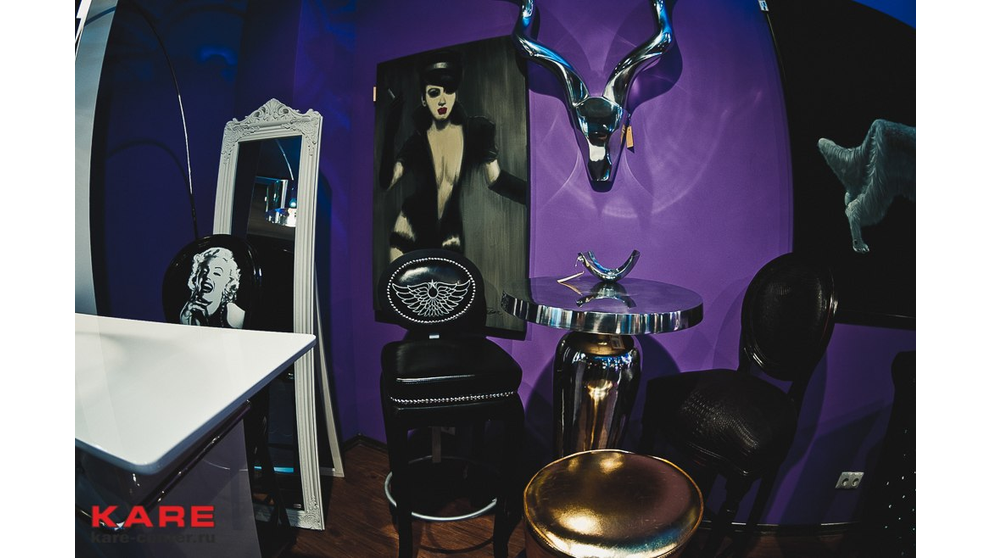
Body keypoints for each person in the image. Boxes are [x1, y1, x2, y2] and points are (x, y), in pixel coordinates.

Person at [380, 49, 526, 262]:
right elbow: (386, 182)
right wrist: (390, 132)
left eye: (448, 91)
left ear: (455, 95)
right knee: (405, 284)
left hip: (448, 234)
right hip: (408, 230)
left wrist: (536, 198)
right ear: (423, 99)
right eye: (434, 93)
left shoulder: (476, 132)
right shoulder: (416, 143)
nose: (442, 100)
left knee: (454, 282)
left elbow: (495, 179)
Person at [180, 246, 246, 328]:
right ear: (196, 277)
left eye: (216, 273)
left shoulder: (234, 315)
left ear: (228, 283)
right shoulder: (186, 311)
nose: (207, 276)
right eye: (204, 271)